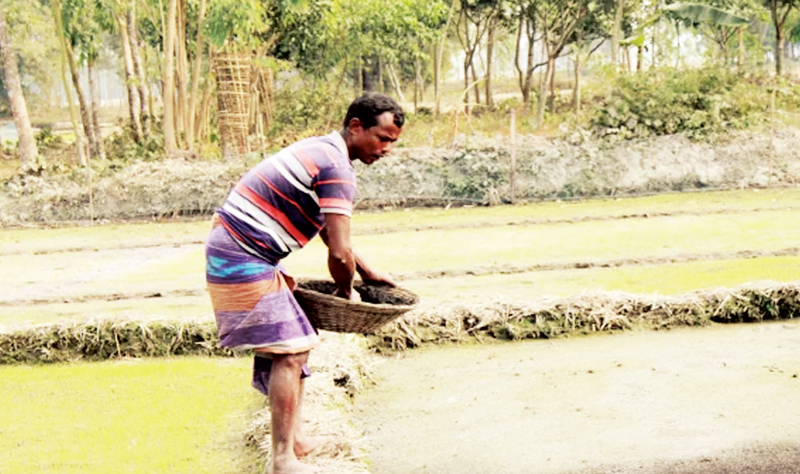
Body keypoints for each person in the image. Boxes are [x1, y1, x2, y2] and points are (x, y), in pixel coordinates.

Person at [205, 93, 404, 474]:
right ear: (356, 126)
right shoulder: (337, 167)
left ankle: (295, 441)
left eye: (393, 141)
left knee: (298, 343)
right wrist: (346, 290)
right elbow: (339, 252)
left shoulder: (326, 152)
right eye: (383, 138)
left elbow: (334, 239)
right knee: (291, 350)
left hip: (245, 252)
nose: (387, 149)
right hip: (240, 255)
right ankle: (282, 461)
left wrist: (365, 271)